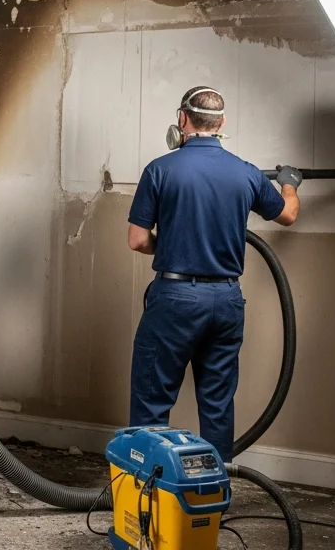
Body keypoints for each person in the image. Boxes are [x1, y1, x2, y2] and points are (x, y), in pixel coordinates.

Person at [126, 86, 302, 462]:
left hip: (174, 299)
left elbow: (138, 240)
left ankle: (145, 502)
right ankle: (213, 500)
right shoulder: (246, 173)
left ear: (182, 121)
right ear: (222, 123)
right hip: (225, 300)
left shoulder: (160, 169)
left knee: (152, 402)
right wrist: (289, 181)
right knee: (217, 403)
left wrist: (170, 244)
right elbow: (287, 214)